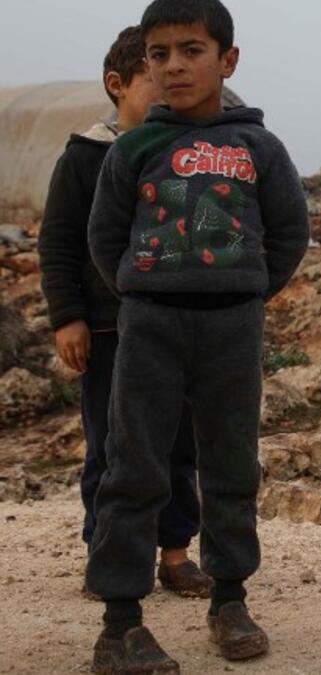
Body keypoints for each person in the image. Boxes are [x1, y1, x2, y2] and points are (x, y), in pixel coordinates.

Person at [85, 0, 310, 671]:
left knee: (231, 463)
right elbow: (105, 236)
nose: (175, 66)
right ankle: (120, 624)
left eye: (192, 50)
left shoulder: (259, 148)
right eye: (160, 54)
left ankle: (230, 598)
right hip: (149, 324)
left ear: (227, 60)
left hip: (233, 328)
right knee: (134, 465)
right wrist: (144, 289)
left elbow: (290, 233)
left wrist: (244, 290)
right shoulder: (132, 149)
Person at [37, 24, 212, 604]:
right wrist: (69, 317)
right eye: (152, 78)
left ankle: (175, 554)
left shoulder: (186, 154)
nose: (169, 86)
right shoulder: (85, 157)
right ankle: (108, 555)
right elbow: (59, 242)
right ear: (118, 84)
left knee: (178, 444)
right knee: (112, 446)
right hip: (110, 328)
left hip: (177, 326)